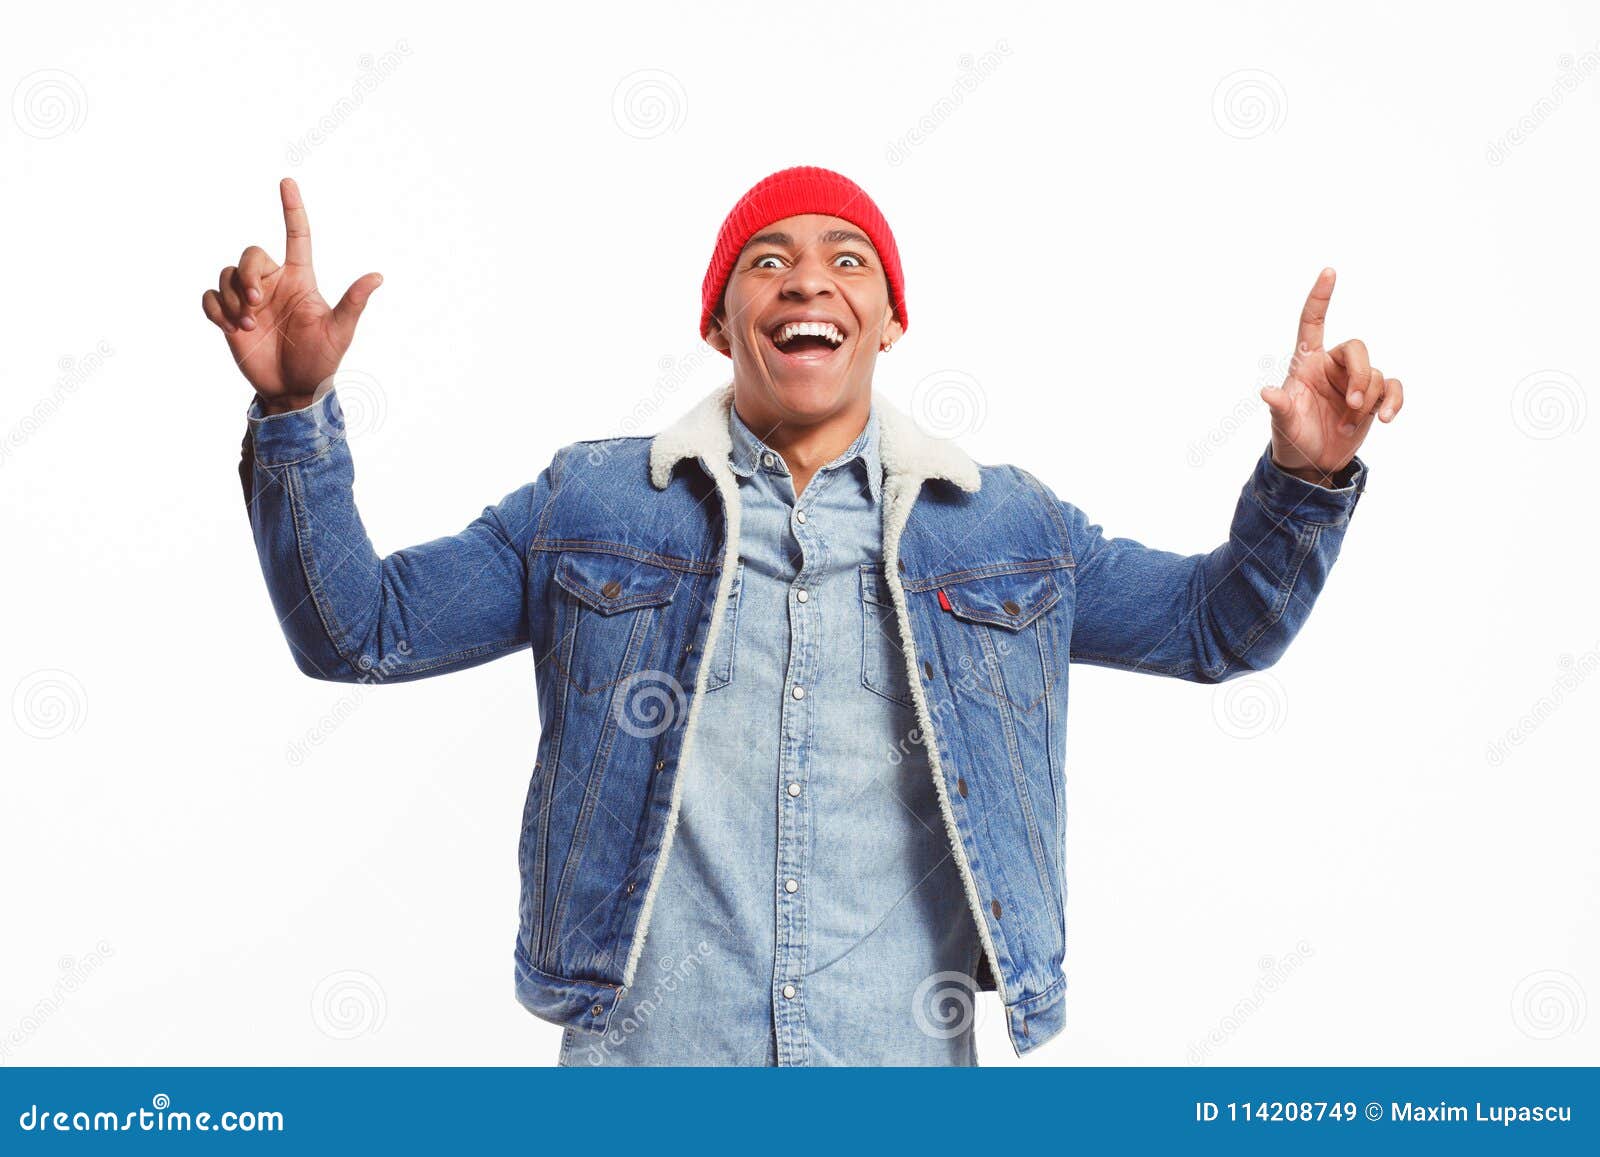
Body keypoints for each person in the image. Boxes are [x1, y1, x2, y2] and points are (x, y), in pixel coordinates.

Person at [203, 166, 1402, 1066]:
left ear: (889, 320)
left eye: (849, 260)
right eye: (766, 262)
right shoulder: (590, 504)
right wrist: (298, 409)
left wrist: (1306, 481)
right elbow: (358, 628)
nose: (808, 280)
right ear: (719, 321)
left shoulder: (1005, 530)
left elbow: (1213, 627)